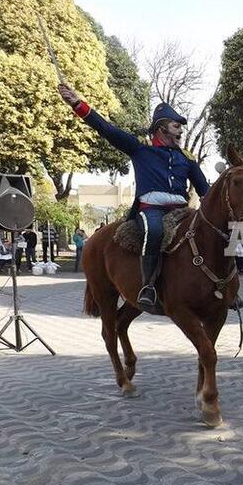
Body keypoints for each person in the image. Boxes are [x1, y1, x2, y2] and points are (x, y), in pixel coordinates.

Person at [59, 84, 209, 313]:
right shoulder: (140, 151)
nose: (180, 131)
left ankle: (222, 286)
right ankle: (148, 286)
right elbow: (106, 129)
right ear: (161, 129)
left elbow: (205, 191)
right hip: (151, 210)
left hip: (182, 210)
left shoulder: (186, 161)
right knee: (155, 231)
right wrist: (78, 104)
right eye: (176, 126)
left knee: (209, 232)